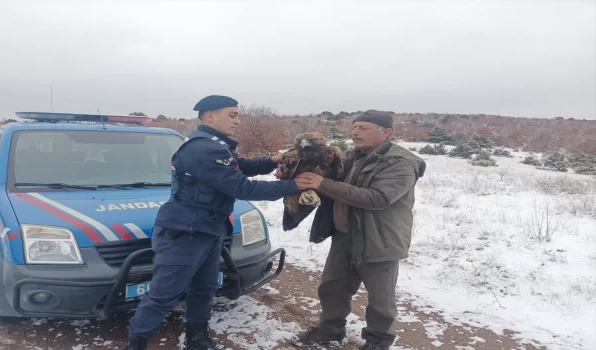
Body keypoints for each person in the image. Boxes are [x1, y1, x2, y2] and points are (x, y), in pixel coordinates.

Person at [124, 95, 303, 350]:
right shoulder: (203, 149)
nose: (238, 121)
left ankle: (197, 340)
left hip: (207, 228)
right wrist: (293, 186)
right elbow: (242, 187)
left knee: (204, 287)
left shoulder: (215, 145)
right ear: (210, 115)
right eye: (232, 115)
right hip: (186, 231)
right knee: (164, 293)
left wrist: (271, 161)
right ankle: (136, 344)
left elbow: (239, 166)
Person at [289, 110, 426, 350]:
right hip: (345, 235)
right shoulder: (354, 156)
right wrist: (296, 176)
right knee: (332, 288)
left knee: (380, 301)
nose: (355, 132)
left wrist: (324, 183)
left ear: (387, 133)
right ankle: (329, 332)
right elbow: (331, 182)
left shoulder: (400, 163)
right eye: (354, 127)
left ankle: (377, 342)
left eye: (364, 127)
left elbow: (377, 198)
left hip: (379, 240)